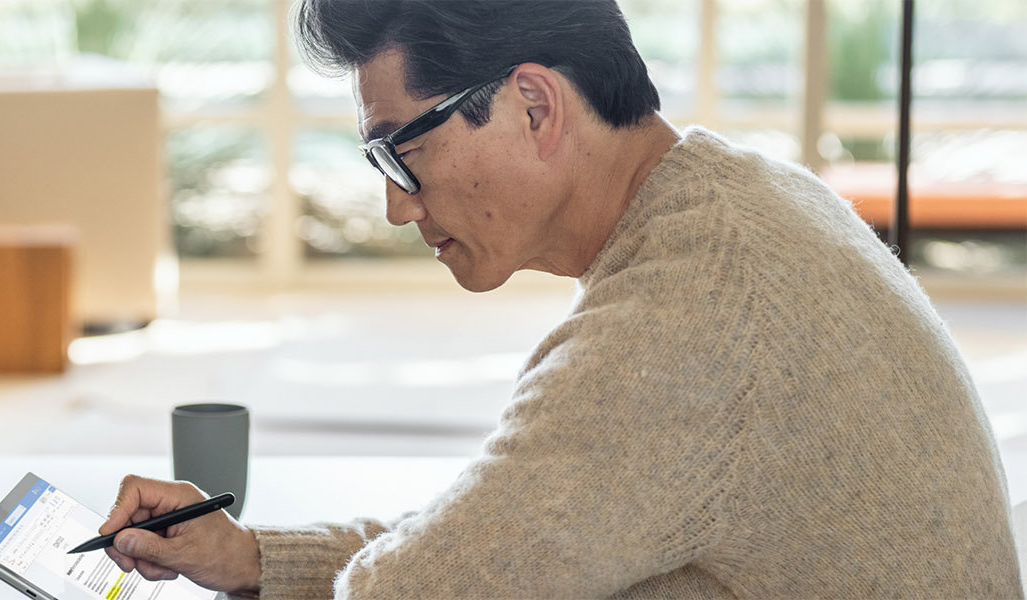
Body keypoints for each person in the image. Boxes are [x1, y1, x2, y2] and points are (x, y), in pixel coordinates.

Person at [98, 1, 1022, 597]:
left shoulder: (682, 322)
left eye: (398, 151)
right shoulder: (748, 198)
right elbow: (497, 539)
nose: (390, 206)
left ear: (534, 106)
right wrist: (256, 558)